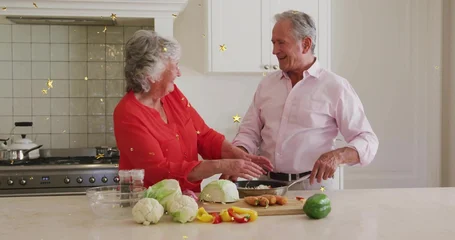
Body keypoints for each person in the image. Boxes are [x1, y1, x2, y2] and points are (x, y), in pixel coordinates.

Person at [232, 10, 379, 190]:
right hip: (266, 186)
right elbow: (249, 132)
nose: (274, 51)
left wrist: (337, 156)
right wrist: (238, 157)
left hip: (312, 188)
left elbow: (367, 140)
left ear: (306, 44)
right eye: (273, 43)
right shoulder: (267, 84)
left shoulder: (335, 86)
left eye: (281, 43)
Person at [113, 30, 273, 192]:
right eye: (174, 66)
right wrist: (222, 165)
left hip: (187, 201)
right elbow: (159, 171)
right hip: (148, 205)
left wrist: (237, 155)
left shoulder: (172, 95)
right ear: (151, 75)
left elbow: (203, 136)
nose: (179, 73)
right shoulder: (128, 114)